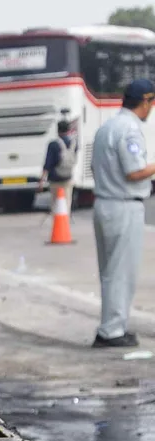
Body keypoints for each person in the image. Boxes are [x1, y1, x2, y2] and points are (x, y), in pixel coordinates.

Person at [91, 78, 155, 348]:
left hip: (105, 202)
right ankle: (112, 331)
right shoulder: (129, 130)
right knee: (121, 273)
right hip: (123, 205)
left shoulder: (107, 127)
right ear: (145, 101)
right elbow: (134, 172)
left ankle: (110, 326)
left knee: (110, 271)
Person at [39, 120, 77, 211]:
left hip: (55, 179)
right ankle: (65, 221)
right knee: (67, 202)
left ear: (58, 130)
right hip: (68, 177)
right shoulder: (74, 143)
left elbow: (47, 164)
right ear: (69, 130)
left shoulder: (53, 144)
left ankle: (57, 221)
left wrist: (41, 180)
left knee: (55, 203)